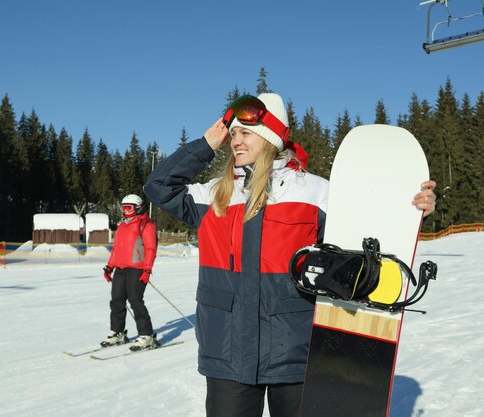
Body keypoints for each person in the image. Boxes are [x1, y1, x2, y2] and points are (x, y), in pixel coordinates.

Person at [143, 93, 436, 417]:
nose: (235, 141)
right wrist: (207, 143)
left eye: (245, 133)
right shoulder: (215, 194)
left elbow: (369, 229)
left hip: (295, 353)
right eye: (233, 133)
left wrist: (413, 210)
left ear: (270, 137)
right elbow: (158, 187)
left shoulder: (314, 192)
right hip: (227, 355)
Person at [101, 194, 159, 351]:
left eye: (129, 208)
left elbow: (150, 249)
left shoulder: (146, 225)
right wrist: (109, 267)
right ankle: (118, 333)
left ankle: (146, 336)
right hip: (120, 268)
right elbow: (116, 249)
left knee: (135, 301)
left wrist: (147, 269)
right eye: (123, 208)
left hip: (137, 269)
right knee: (117, 301)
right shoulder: (122, 226)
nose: (125, 211)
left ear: (138, 208)